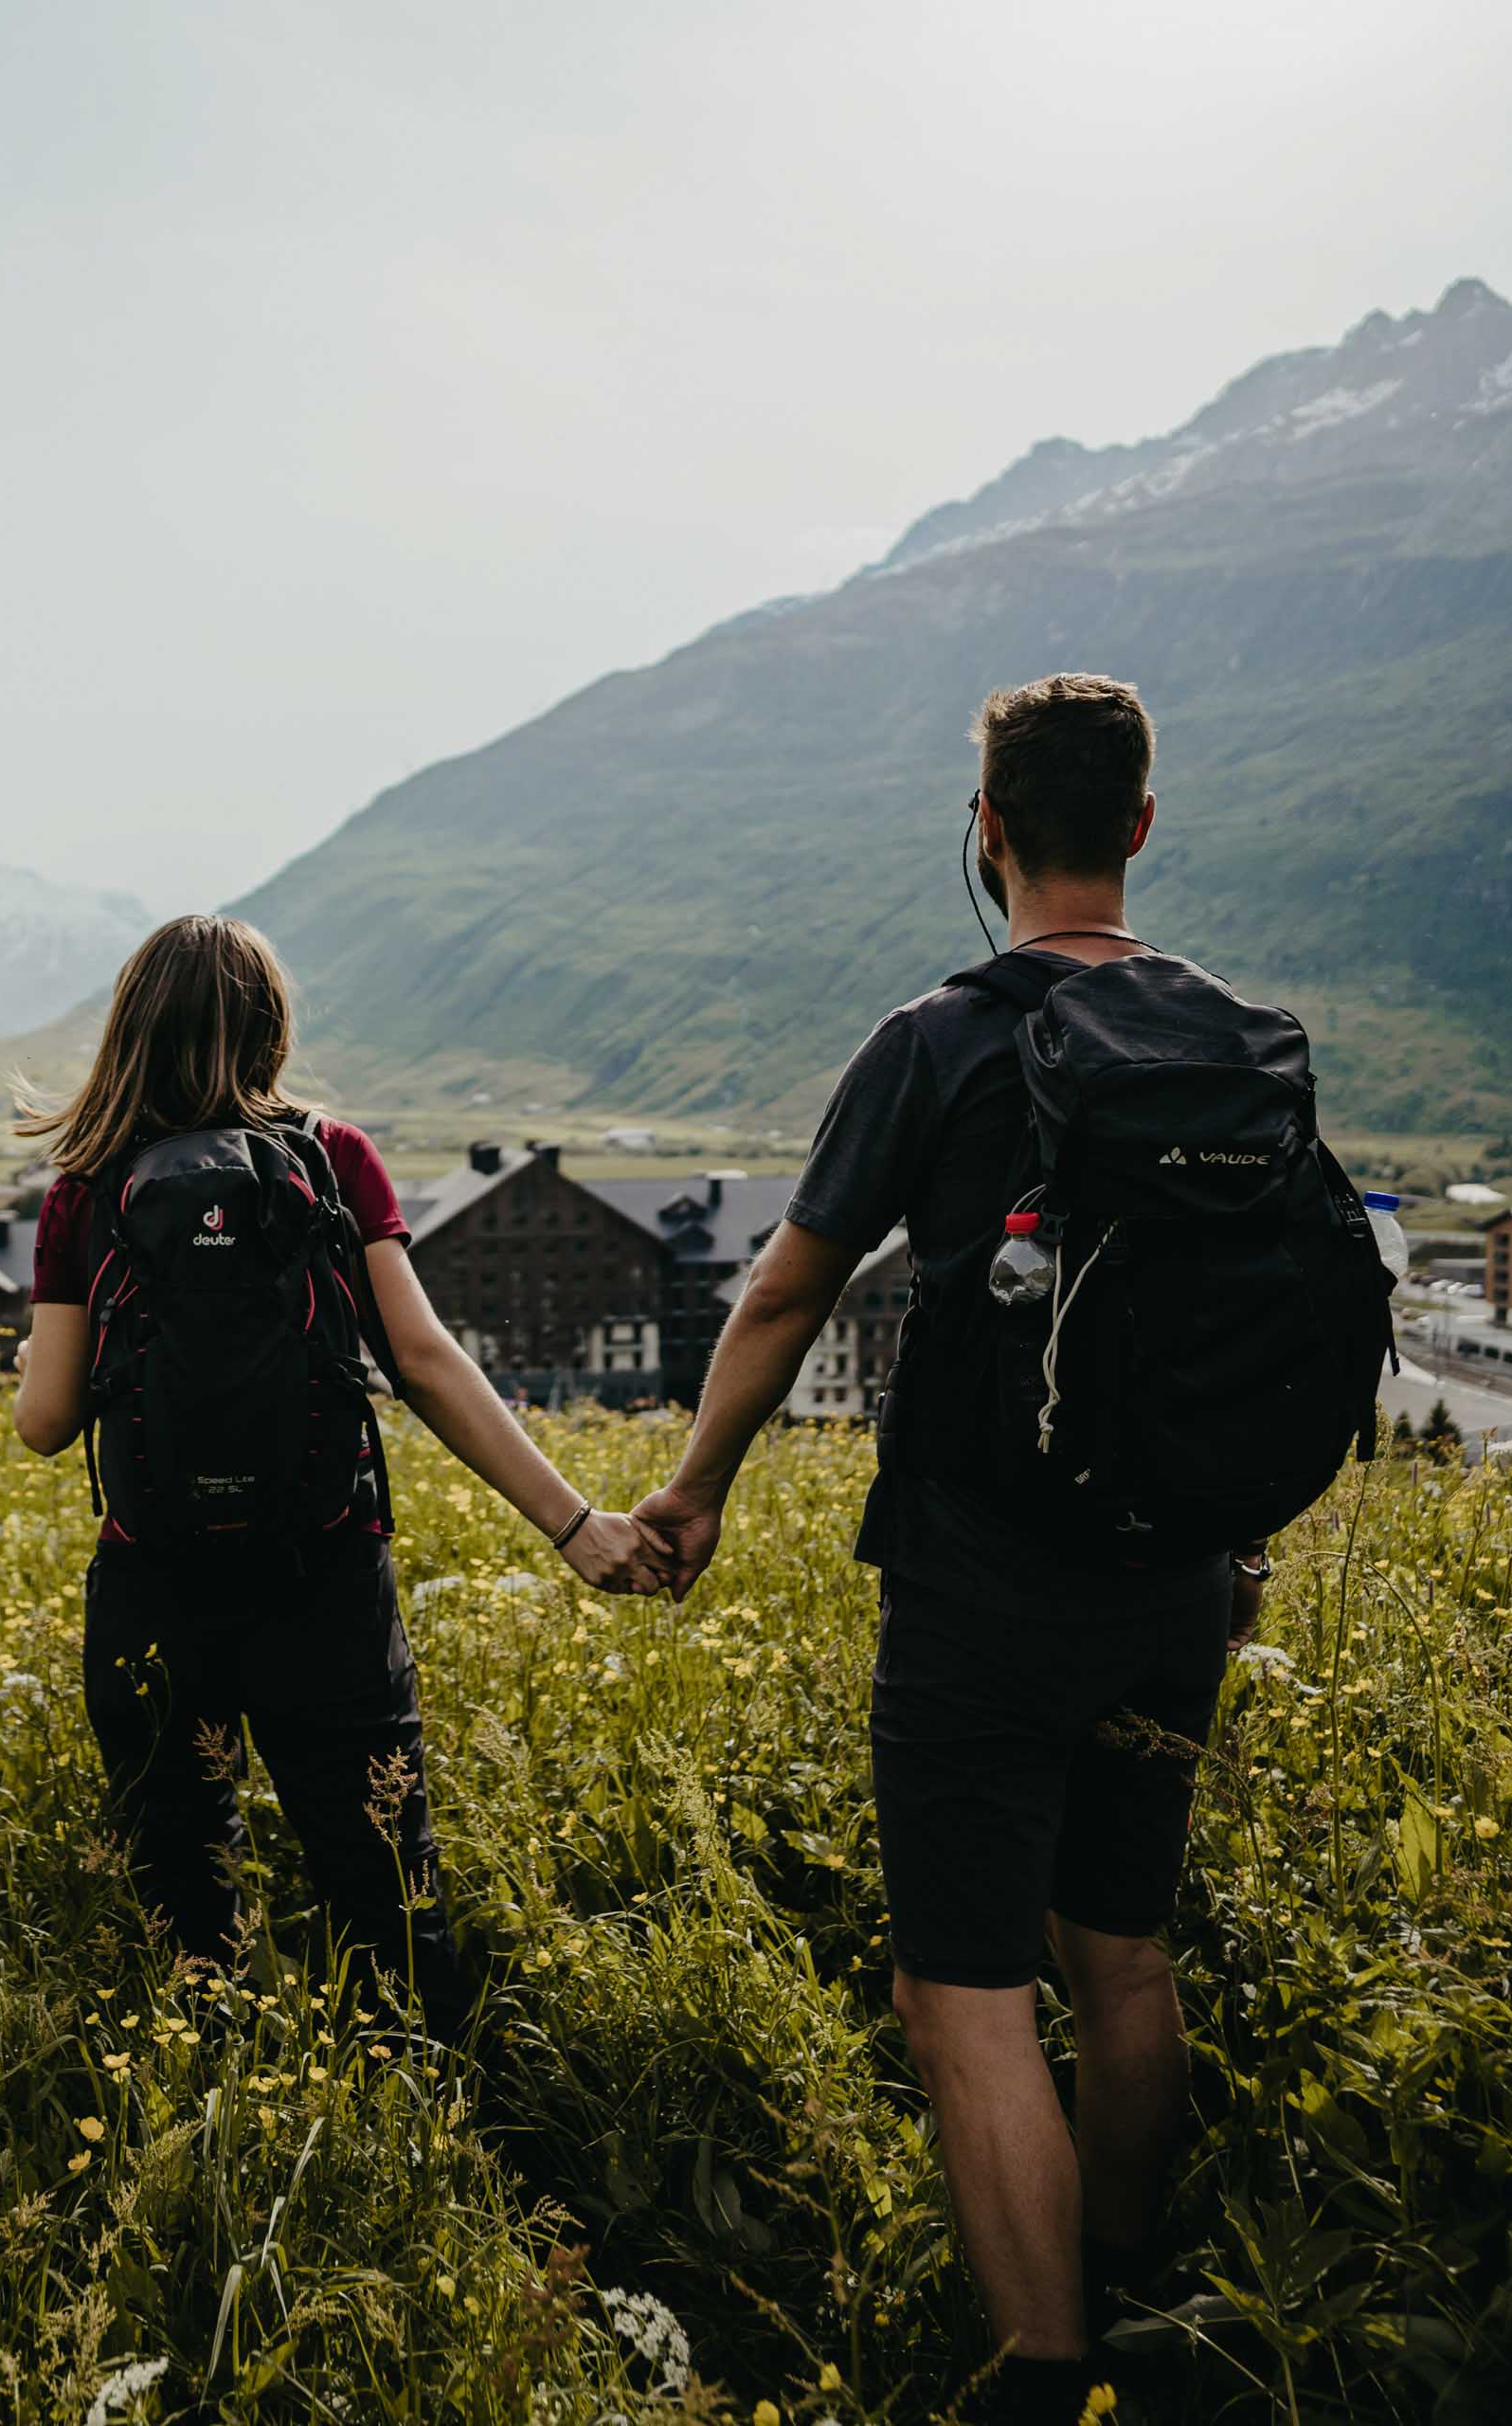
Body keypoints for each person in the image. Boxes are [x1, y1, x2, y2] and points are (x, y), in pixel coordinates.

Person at [630, 674, 1272, 2418]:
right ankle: (1131, 2290)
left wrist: (696, 1488)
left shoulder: (934, 1039)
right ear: (1140, 827)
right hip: (1179, 1583)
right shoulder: (1236, 1040)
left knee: (966, 1991)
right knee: (1121, 1954)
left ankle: (1044, 2378)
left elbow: (789, 1286)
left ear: (984, 832)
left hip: (986, 1582)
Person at [12, 914, 667, 2018]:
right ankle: (436, 2127)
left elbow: (44, 1423)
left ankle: (221, 2133)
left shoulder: (88, 1182)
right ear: (269, 1026)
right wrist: (573, 1523)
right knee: (387, 1898)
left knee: (191, 1909)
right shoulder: (332, 1154)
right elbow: (422, 1359)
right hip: (324, 1576)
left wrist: (43, 1354)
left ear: (129, 1029)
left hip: (155, 1583)